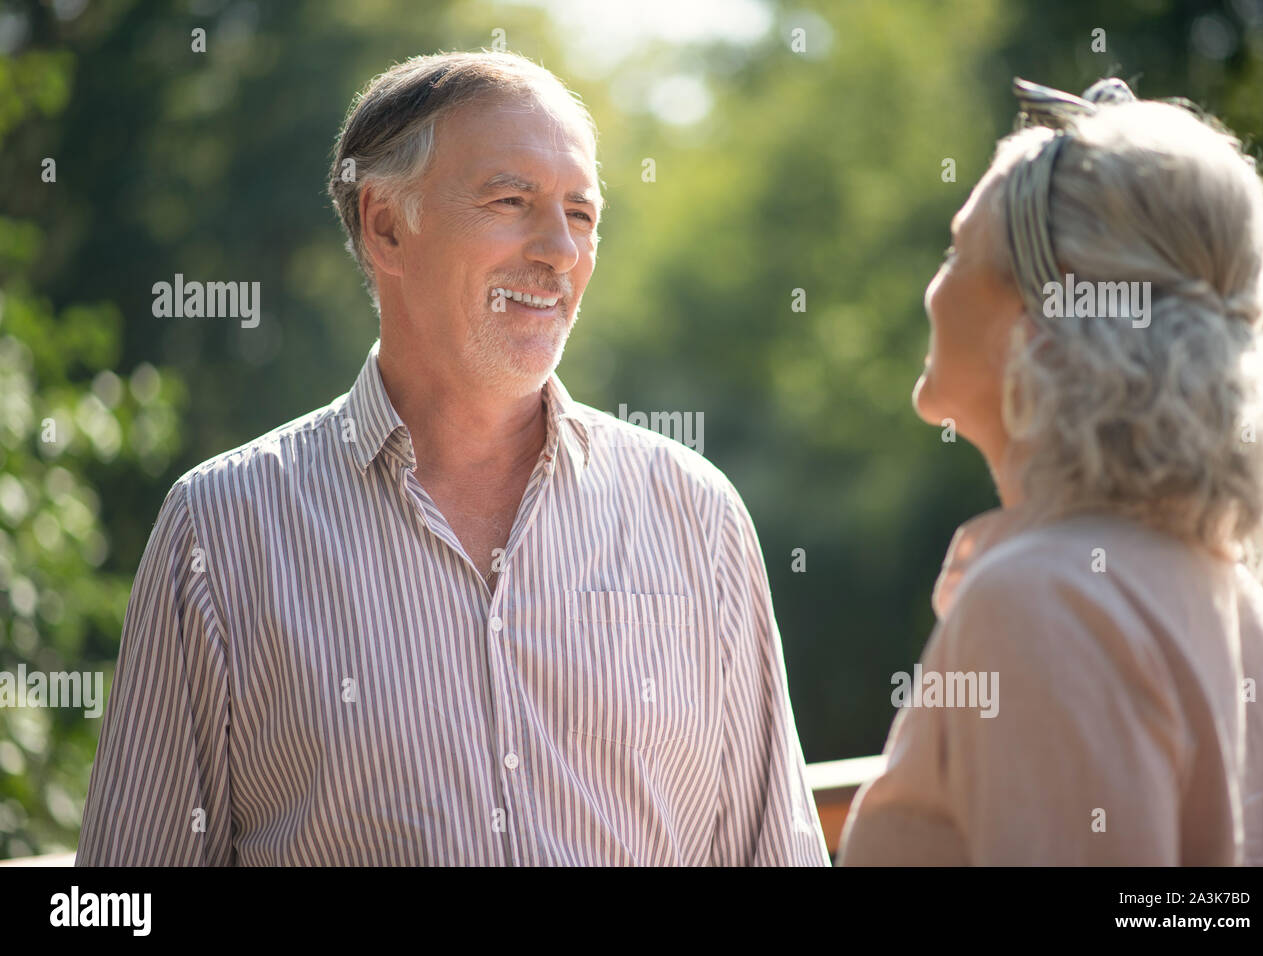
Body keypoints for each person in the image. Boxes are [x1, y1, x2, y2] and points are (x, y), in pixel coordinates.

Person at [77, 51, 828, 866]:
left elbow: (773, 851)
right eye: (513, 201)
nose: (562, 252)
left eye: (581, 215)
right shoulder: (219, 532)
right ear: (387, 226)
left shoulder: (697, 513)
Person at [839, 78, 1263, 865]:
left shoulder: (1038, 599)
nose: (933, 286)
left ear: (1035, 318)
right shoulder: (1221, 585)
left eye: (958, 251)